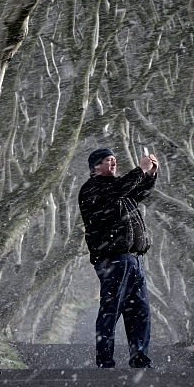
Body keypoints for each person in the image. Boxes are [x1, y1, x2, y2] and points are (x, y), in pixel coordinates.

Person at [78, 147, 158, 369]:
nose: (113, 163)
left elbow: (139, 193)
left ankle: (140, 358)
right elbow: (121, 189)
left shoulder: (119, 188)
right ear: (96, 167)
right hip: (112, 259)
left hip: (134, 260)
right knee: (110, 311)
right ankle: (105, 362)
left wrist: (150, 174)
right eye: (108, 161)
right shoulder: (92, 189)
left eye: (114, 160)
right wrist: (140, 169)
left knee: (140, 312)